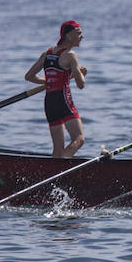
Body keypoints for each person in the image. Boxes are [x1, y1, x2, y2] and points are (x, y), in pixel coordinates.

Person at [23, 19, 86, 158]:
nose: (82, 36)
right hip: (63, 100)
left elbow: (29, 76)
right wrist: (81, 74)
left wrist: (47, 82)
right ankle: (63, 169)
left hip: (50, 102)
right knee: (79, 138)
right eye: (79, 33)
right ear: (68, 36)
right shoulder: (70, 56)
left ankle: (54, 171)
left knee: (57, 150)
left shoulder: (47, 53)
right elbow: (81, 85)